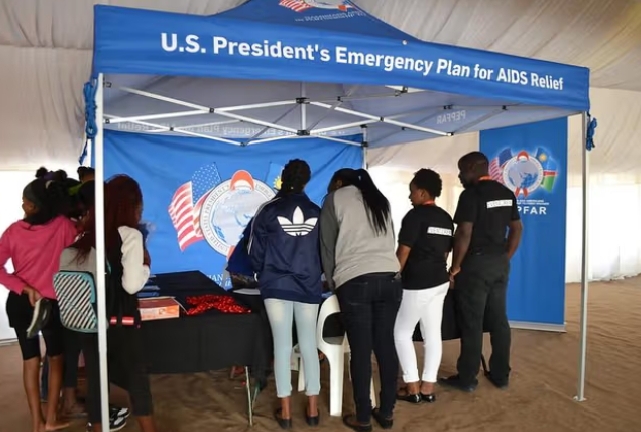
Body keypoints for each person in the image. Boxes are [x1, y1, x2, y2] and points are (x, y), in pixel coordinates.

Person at [59, 174, 157, 432]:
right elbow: (132, 285)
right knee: (137, 380)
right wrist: (146, 266)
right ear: (132, 206)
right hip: (121, 322)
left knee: (97, 380)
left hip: (90, 321)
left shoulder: (85, 236)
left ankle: (97, 427)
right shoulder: (130, 235)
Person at [320, 168, 401, 432]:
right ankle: (386, 413)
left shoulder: (334, 199)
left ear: (339, 182)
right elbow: (391, 238)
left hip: (354, 280)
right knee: (385, 345)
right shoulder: (380, 198)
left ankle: (363, 417)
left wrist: (334, 283)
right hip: (390, 277)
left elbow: (327, 247)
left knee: (361, 350)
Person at [439, 152, 523, 392]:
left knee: (472, 322)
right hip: (499, 264)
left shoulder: (470, 195)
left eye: (462, 170)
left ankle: (467, 379)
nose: (459, 176)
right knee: (499, 321)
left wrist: (455, 266)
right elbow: (517, 229)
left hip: (475, 266)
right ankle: (500, 375)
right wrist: (505, 256)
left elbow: (464, 233)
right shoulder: (506, 193)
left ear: (473, 167)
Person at [248, 159, 323, 429]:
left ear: (283, 178)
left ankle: (287, 413)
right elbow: (325, 251)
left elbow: (254, 251)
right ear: (306, 181)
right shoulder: (317, 211)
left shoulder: (268, 210)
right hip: (308, 285)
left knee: (281, 346)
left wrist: (262, 272)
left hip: (276, 284)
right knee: (308, 345)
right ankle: (312, 411)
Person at [0, 177, 78, 432]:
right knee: (56, 359)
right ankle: (52, 419)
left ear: (34, 206)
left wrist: (23, 287)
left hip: (21, 302)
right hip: (52, 304)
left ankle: (37, 423)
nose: (22, 204)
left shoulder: (13, 231)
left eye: (25, 201)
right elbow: (80, 253)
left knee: (30, 360)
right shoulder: (64, 226)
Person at [393, 168, 454, 404]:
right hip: (439, 281)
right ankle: (427, 387)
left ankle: (411, 387)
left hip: (417, 283)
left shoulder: (414, 216)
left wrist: (393, 276)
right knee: (432, 334)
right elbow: (446, 251)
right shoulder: (445, 218)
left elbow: (403, 251)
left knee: (401, 333)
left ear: (422, 192)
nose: (410, 196)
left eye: (412, 191)